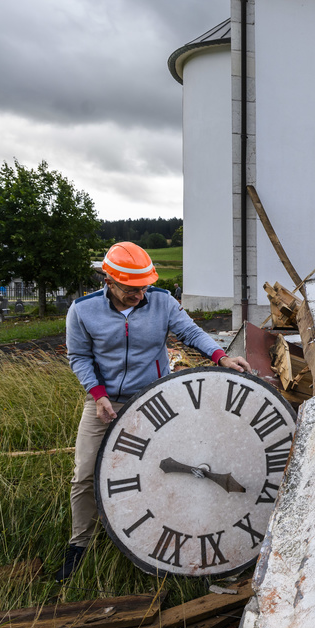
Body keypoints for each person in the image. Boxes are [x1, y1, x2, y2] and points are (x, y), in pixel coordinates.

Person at [58, 241, 248, 581]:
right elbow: (79, 357)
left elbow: (190, 332)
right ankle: (80, 545)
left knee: (165, 468)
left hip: (155, 401)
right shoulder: (82, 310)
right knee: (85, 475)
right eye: (131, 289)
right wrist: (98, 394)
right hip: (105, 402)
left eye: (144, 287)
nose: (140, 295)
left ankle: (157, 537)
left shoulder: (161, 301)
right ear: (109, 281)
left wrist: (221, 356)